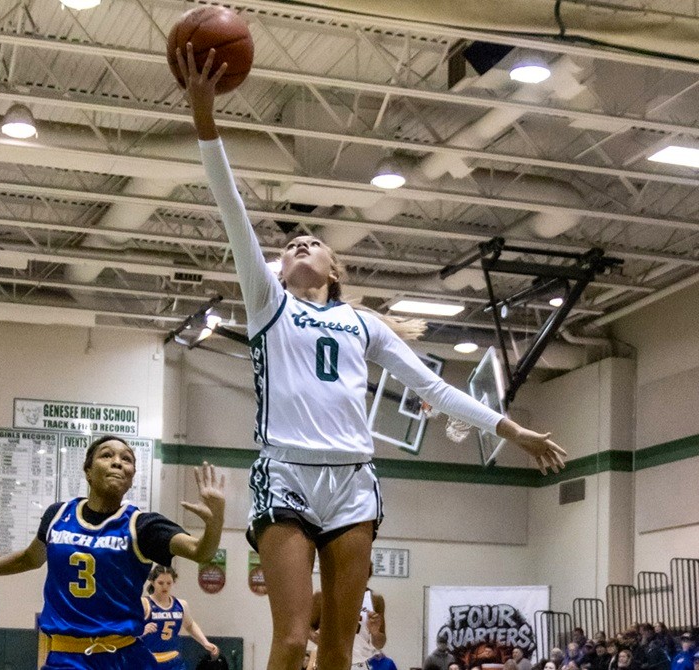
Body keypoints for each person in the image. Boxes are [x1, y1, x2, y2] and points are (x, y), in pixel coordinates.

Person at [177, 41, 567, 670]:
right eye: (292, 242)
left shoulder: (363, 323)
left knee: (338, 643)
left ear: (337, 270)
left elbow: (434, 390)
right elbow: (230, 206)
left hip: (355, 480)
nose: (300, 242)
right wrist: (205, 118)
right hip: (287, 473)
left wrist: (511, 428)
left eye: (314, 241)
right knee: (289, 639)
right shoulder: (267, 303)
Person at [0, 435, 225, 670]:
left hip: (125, 655)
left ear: (131, 477)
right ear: (88, 470)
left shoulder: (142, 524)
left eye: (127, 459)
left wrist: (215, 523)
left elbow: (201, 552)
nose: (119, 462)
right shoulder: (57, 515)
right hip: (67, 656)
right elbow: (28, 559)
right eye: (107, 455)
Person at [310, 561, 386, 670]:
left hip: (358, 665)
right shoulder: (322, 595)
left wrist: (375, 633)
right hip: (328, 663)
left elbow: (380, 644)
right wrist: (322, 641)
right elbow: (307, 627)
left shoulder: (375, 599)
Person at [141, 565, 219, 669]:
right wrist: (141, 630)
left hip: (173, 660)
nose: (165, 586)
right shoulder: (144, 604)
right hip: (149, 659)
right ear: (152, 582)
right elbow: (126, 630)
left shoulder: (181, 605)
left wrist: (205, 642)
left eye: (169, 583)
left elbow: (190, 625)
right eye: (161, 583)